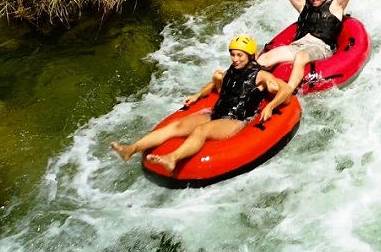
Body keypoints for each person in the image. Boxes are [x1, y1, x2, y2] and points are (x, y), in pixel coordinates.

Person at [110, 36, 284, 171]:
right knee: (176, 126)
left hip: (236, 120)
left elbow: (286, 90)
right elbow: (217, 85)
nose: (235, 59)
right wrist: (198, 94)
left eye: (240, 55)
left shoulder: (261, 75)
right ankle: (131, 149)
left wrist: (270, 106)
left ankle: (173, 158)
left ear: (250, 55)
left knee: (201, 131)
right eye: (232, 54)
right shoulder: (232, 70)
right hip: (216, 113)